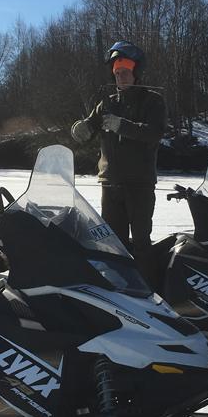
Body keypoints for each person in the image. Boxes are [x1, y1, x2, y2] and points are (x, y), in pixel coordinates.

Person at [69, 41, 166, 283]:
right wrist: (80, 129)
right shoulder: (107, 103)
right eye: (117, 73)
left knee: (142, 242)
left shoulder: (152, 101)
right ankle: (121, 289)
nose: (120, 76)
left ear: (136, 73)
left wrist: (122, 125)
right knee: (114, 243)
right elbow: (90, 126)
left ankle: (148, 289)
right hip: (110, 184)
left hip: (140, 184)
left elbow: (154, 133)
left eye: (124, 72)